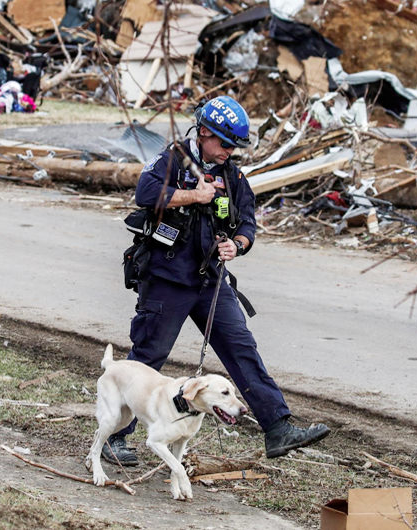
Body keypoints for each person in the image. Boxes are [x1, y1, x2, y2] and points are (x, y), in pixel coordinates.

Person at [104, 96, 330, 465]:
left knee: (241, 348)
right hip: (167, 279)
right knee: (147, 357)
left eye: (235, 146)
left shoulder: (232, 174)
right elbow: (144, 193)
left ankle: (278, 428)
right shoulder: (171, 161)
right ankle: (116, 437)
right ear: (204, 132)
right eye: (225, 143)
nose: (229, 151)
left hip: (211, 280)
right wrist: (194, 194)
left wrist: (237, 245)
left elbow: (247, 220)